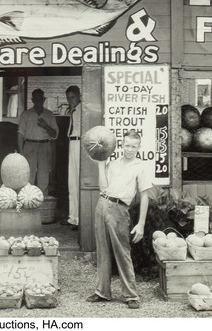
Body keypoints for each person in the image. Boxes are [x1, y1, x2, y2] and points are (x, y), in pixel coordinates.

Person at [87, 130, 152, 309]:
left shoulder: (140, 166)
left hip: (120, 209)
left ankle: (131, 295)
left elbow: (145, 196)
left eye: (134, 146)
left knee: (123, 252)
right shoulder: (113, 164)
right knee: (102, 250)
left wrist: (141, 224)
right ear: (122, 145)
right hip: (102, 204)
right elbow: (103, 188)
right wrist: (101, 165)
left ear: (139, 147)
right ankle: (102, 292)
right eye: (127, 145)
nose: (130, 149)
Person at [17, 88, 59, 196]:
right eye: (36, 98)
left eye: (40, 98)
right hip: (29, 146)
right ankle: (27, 198)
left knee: (43, 175)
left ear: (44, 99)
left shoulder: (49, 115)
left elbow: (55, 135)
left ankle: (42, 200)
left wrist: (45, 125)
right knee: (28, 174)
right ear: (32, 99)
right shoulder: (26, 114)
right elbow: (20, 133)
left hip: (45, 146)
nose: (38, 101)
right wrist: (21, 151)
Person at [60, 85, 81, 231]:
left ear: (79, 96)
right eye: (68, 98)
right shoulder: (72, 111)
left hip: (80, 143)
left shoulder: (83, 110)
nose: (70, 100)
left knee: (79, 181)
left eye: (72, 97)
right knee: (72, 182)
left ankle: (81, 219)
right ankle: (73, 217)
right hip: (72, 143)